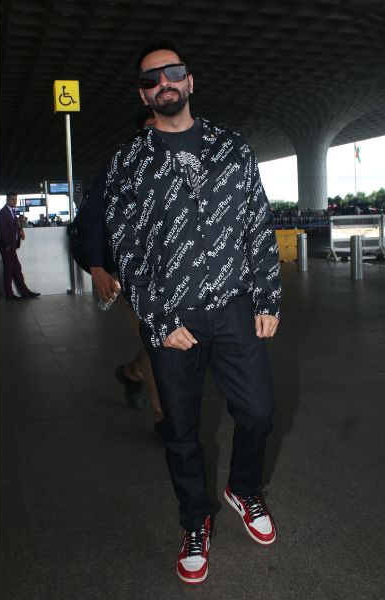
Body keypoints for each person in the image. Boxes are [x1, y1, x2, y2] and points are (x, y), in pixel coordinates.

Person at [104, 41, 282, 584]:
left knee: (258, 413)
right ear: (143, 94)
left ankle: (243, 490)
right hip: (172, 318)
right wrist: (157, 319)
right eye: (151, 78)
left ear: (190, 81)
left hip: (234, 308)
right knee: (180, 431)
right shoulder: (128, 162)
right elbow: (125, 247)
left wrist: (268, 297)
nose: (164, 82)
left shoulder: (232, 147)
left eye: (173, 72)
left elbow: (257, 222)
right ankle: (194, 521)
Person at [71, 108, 165, 430]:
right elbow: (92, 215)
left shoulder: (181, 166)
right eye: (150, 127)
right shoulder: (120, 166)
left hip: (172, 273)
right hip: (128, 273)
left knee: (168, 339)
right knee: (156, 340)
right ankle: (164, 418)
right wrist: (97, 267)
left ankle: (132, 373)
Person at [0, 194, 41, 300]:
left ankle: (25, 292)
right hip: (7, 246)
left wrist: (20, 230)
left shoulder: (12, 211)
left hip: (12, 245)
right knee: (8, 270)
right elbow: (2, 230)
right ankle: (9, 295)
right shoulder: (3, 213)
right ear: (7, 199)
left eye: (16, 199)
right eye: (12, 199)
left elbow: (13, 225)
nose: (14, 201)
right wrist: (8, 245)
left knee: (16, 269)